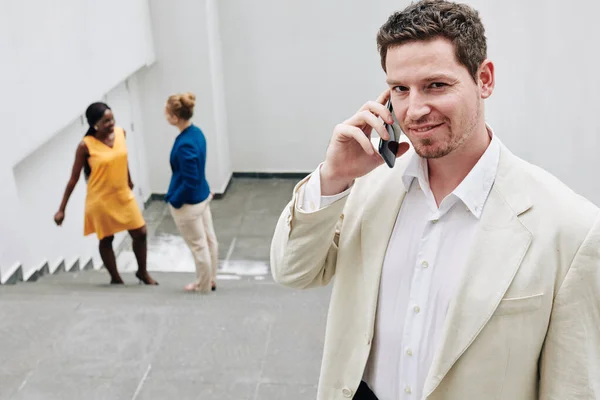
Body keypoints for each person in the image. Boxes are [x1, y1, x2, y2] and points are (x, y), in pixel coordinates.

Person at [270, 1, 600, 399]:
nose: (415, 109)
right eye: (400, 89)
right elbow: (293, 272)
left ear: (484, 79)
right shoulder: (368, 186)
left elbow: (574, 387)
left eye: (436, 85)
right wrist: (334, 176)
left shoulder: (571, 228)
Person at [54, 102, 158, 286]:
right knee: (106, 238)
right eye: (106, 121)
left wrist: (129, 179)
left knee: (140, 233)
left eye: (112, 119)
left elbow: (123, 158)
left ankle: (142, 272)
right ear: (95, 125)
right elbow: (73, 179)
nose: (111, 123)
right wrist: (62, 209)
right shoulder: (85, 146)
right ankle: (115, 278)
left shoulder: (120, 133)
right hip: (100, 199)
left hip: (123, 195)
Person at [164, 92, 219, 293]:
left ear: (175, 117)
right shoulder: (197, 133)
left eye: (167, 112)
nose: (165, 115)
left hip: (189, 204)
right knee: (209, 240)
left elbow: (190, 179)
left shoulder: (185, 143)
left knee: (199, 246)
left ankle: (203, 287)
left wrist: (175, 200)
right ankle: (210, 280)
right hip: (202, 197)